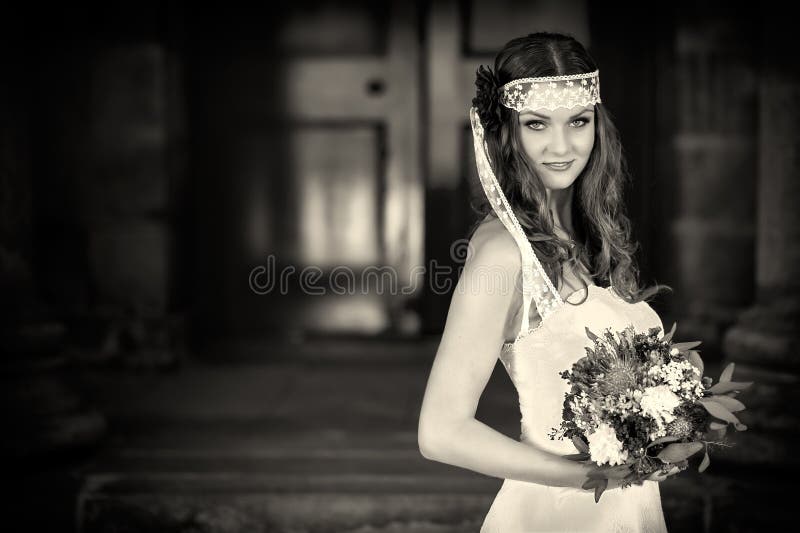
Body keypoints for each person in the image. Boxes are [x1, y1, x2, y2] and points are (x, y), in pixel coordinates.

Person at [417, 32, 680, 532]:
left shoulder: (591, 236)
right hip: (559, 512)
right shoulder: (502, 253)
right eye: (537, 125)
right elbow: (440, 432)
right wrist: (581, 477)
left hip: (627, 509)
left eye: (578, 122)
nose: (561, 147)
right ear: (507, 133)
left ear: (596, 125)